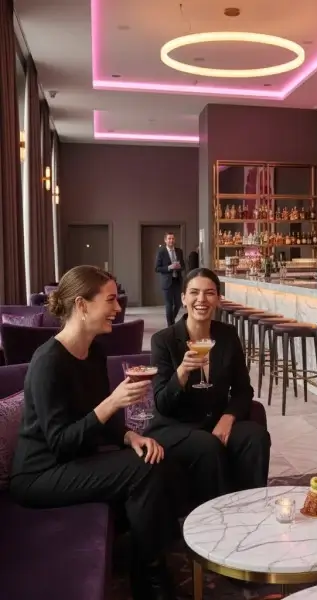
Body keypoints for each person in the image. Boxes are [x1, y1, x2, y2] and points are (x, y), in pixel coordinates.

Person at [10, 265, 178, 600]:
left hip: (74, 460)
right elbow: (61, 443)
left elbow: (102, 422)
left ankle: (149, 562)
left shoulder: (94, 353)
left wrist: (131, 437)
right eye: (110, 299)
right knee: (143, 471)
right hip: (39, 473)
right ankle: (151, 580)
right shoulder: (48, 362)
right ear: (81, 305)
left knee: (157, 458)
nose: (118, 307)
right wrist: (113, 402)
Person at [147, 267, 270, 503]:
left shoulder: (227, 335)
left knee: (255, 436)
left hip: (215, 419)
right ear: (183, 298)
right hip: (175, 426)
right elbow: (162, 403)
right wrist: (182, 372)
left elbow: (243, 390)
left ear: (218, 299)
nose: (201, 299)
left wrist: (228, 418)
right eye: (194, 292)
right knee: (208, 446)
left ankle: (252, 507)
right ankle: (216, 516)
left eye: (209, 293)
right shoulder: (163, 340)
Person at [155, 232, 185, 326]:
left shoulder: (179, 251)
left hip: (177, 281)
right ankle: (170, 325)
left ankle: (171, 321)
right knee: (169, 304)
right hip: (167, 282)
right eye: (169, 239)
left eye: (172, 238)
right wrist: (169, 267)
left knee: (178, 303)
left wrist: (179, 266)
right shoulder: (161, 252)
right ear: (165, 240)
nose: (171, 240)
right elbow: (157, 268)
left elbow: (183, 266)